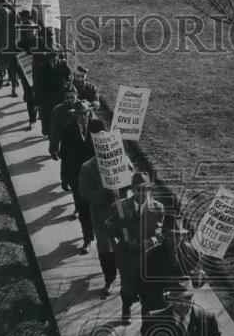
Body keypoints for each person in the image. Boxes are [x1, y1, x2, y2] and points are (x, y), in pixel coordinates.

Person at [104, 172, 164, 324]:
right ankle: (126, 308)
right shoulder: (119, 206)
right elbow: (109, 229)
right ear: (132, 189)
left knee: (147, 289)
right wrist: (116, 226)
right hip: (127, 255)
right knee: (127, 286)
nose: (143, 193)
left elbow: (159, 235)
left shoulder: (158, 208)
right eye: (139, 189)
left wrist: (145, 243)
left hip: (148, 256)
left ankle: (146, 316)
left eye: (146, 189)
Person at [78, 120, 126, 296]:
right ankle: (110, 278)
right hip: (102, 214)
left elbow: (132, 181)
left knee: (128, 242)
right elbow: (84, 192)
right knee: (106, 247)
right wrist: (103, 191)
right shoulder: (88, 167)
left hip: (122, 209)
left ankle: (127, 276)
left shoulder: (122, 160)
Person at [50, 94, 95, 250]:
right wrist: (64, 178)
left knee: (96, 207)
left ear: (89, 112)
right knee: (82, 208)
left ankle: (95, 231)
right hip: (77, 177)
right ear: (75, 116)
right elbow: (66, 157)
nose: (83, 117)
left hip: (97, 177)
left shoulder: (98, 126)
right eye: (80, 114)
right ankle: (87, 238)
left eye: (86, 113)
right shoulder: (68, 131)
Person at [141, 212, 206, 314]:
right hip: (160, 305)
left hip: (184, 305)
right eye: (171, 235)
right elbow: (146, 286)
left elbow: (197, 283)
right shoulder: (150, 256)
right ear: (163, 235)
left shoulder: (192, 252)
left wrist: (199, 278)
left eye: (178, 235)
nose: (175, 239)